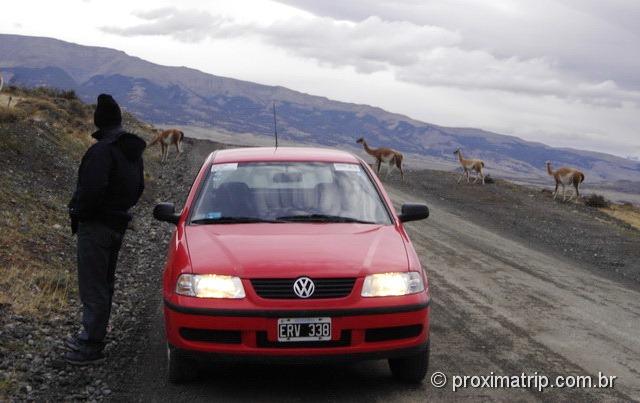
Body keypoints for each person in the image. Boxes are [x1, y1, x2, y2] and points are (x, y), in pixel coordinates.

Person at [65, 94, 146, 365]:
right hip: (117, 224)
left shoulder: (101, 150)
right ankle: (94, 335)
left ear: (99, 121)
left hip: (97, 226)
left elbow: (90, 191)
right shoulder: (130, 150)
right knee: (104, 284)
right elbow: (138, 190)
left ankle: (90, 344)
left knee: (93, 286)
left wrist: (80, 212)